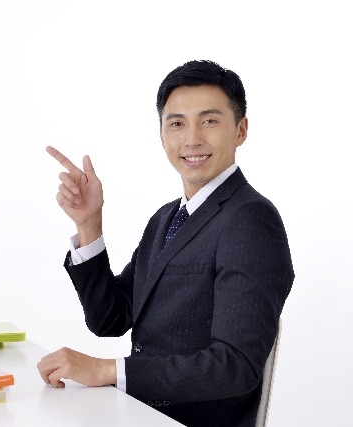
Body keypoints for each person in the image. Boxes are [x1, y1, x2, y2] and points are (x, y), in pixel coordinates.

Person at [37, 60, 294, 427]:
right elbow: (111, 318)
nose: (192, 139)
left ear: (240, 130)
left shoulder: (250, 219)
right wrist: (89, 224)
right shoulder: (166, 219)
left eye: (209, 120)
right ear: (161, 135)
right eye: (177, 123)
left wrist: (108, 370)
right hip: (140, 414)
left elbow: (235, 366)